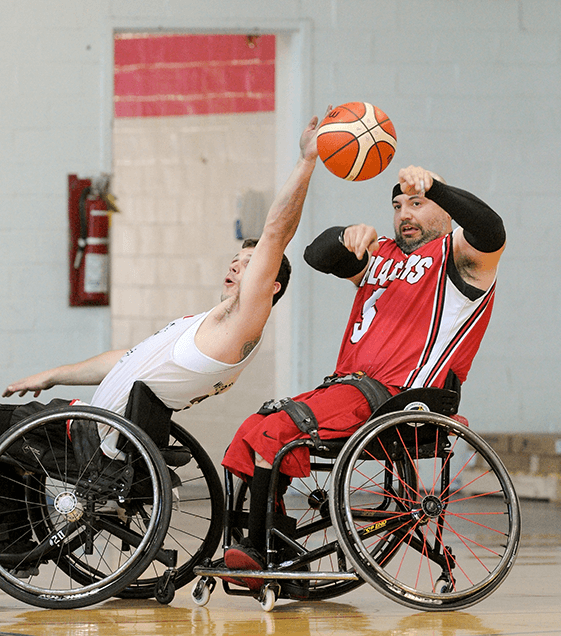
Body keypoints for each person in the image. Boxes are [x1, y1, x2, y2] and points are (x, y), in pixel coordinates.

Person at [0, 111, 324, 561]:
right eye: (234, 258)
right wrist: (53, 374)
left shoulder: (241, 327)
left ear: (270, 286)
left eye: (249, 263)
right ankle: (15, 540)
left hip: (93, 442)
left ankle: (12, 544)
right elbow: (126, 358)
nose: (235, 265)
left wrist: (306, 160)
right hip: (82, 420)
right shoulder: (203, 322)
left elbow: (276, 232)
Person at [221, 165, 506, 586]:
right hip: (346, 387)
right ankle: (275, 540)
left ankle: (257, 549)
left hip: (398, 398)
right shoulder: (383, 257)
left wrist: (438, 188)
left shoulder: (462, 257)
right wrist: (344, 234)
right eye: (397, 206)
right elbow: (316, 256)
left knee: (277, 430)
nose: (404, 213)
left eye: (416, 203)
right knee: (252, 429)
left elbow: (492, 229)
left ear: (444, 212)